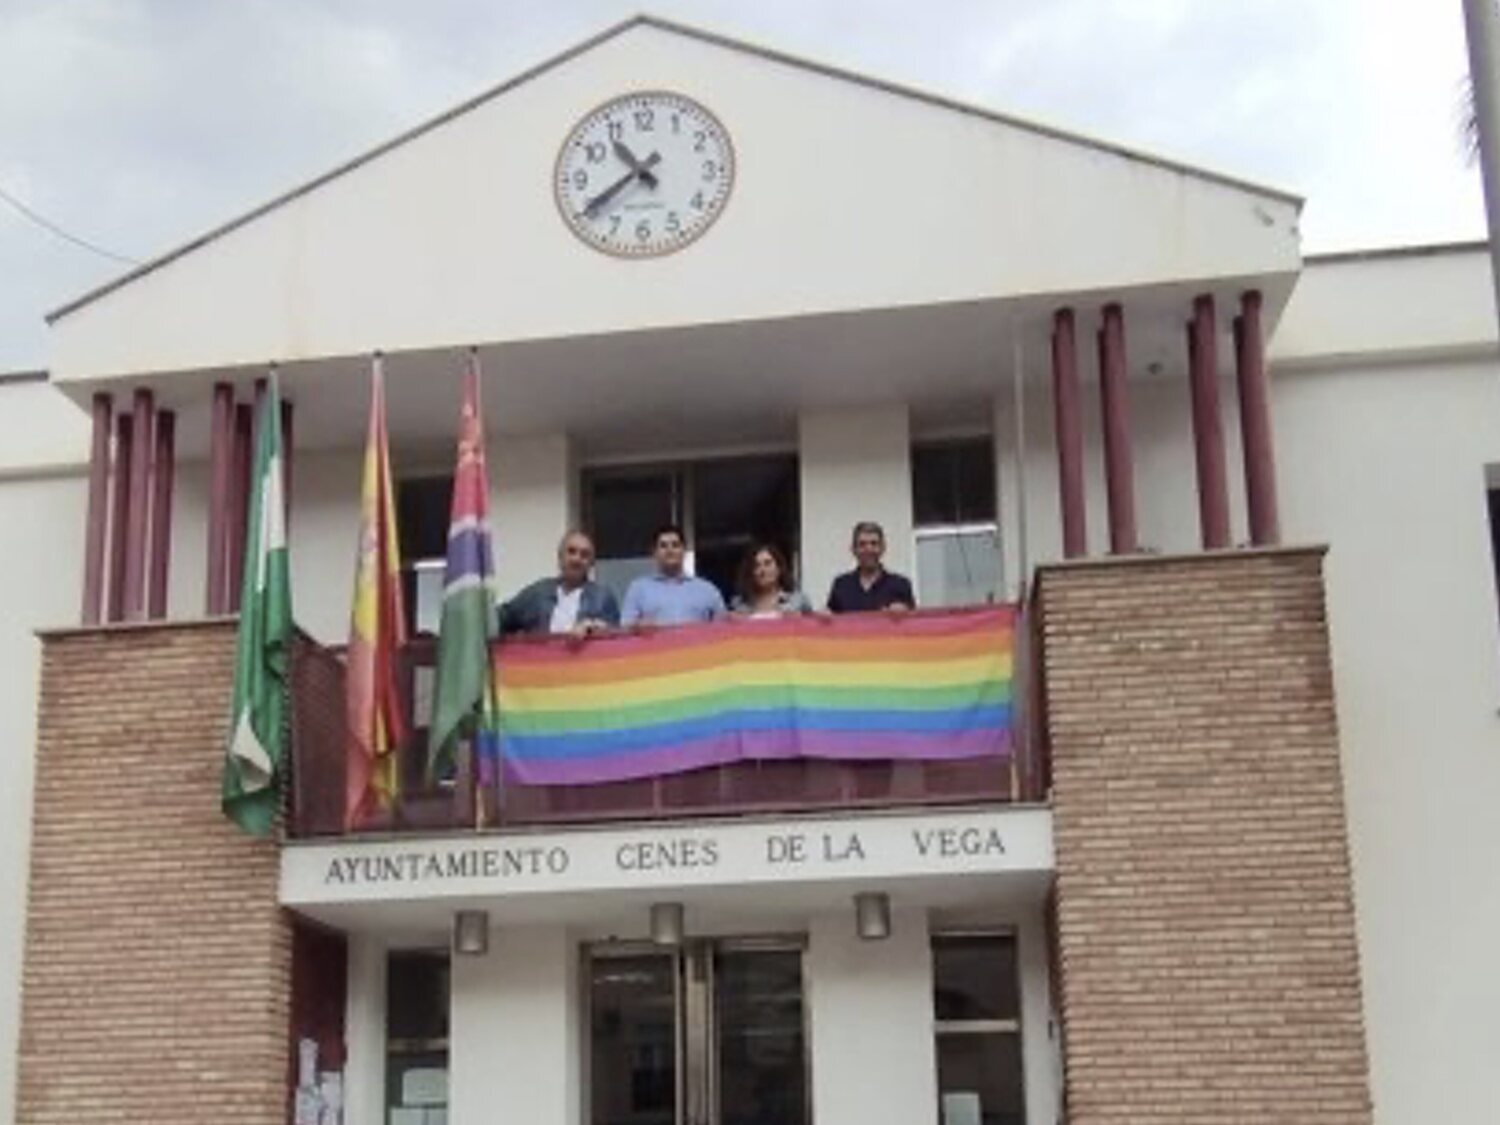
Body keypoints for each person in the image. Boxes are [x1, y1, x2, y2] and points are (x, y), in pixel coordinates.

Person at [498, 529, 620, 636]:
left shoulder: (603, 597)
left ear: (591, 563)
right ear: (560, 556)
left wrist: (593, 628)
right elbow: (500, 619)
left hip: (584, 662)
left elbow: (615, 638)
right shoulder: (538, 593)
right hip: (543, 661)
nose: (576, 559)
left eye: (584, 555)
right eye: (571, 552)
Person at [620, 524, 727, 626]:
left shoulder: (707, 590)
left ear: (684, 550)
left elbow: (724, 630)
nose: (669, 550)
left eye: (675, 545)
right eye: (663, 546)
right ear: (654, 552)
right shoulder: (638, 589)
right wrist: (638, 627)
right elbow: (625, 629)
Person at [826, 520, 916, 613]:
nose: (868, 549)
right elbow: (830, 621)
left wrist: (904, 614)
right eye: (862, 544)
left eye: (874, 544)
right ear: (853, 549)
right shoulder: (841, 585)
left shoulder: (901, 585)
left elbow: (914, 623)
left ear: (883, 548)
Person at [731, 543, 812, 618]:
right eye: (756, 566)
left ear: (779, 569)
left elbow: (812, 628)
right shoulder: (739, 604)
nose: (762, 570)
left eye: (768, 563)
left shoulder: (798, 601)